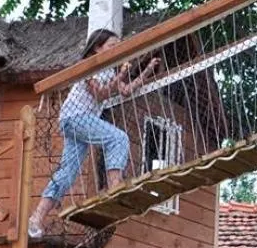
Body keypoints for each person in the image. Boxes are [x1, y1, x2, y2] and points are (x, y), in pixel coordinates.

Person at [28, 28, 161, 236]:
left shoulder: (109, 69)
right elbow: (100, 95)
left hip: (79, 122)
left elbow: (125, 91)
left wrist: (147, 71)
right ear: (97, 48)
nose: (116, 49)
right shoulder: (89, 66)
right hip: (75, 119)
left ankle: (37, 217)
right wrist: (123, 74)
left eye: (118, 46)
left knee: (67, 173)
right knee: (118, 138)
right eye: (111, 46)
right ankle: (114, 188)